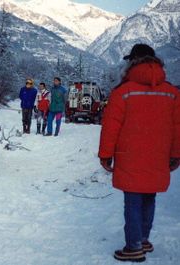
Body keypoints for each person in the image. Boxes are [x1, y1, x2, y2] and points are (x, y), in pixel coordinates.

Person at [98, 43, 180, 262]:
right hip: (158, 156)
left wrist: (105, 155)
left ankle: (133, 246)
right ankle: (142, 239)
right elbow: (177, 126)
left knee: (133, 200)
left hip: (129, 156)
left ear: (132, 62)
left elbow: (111, 126)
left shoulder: (123, 91)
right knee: (149, 197)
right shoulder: (172, 92)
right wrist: (176, 154)